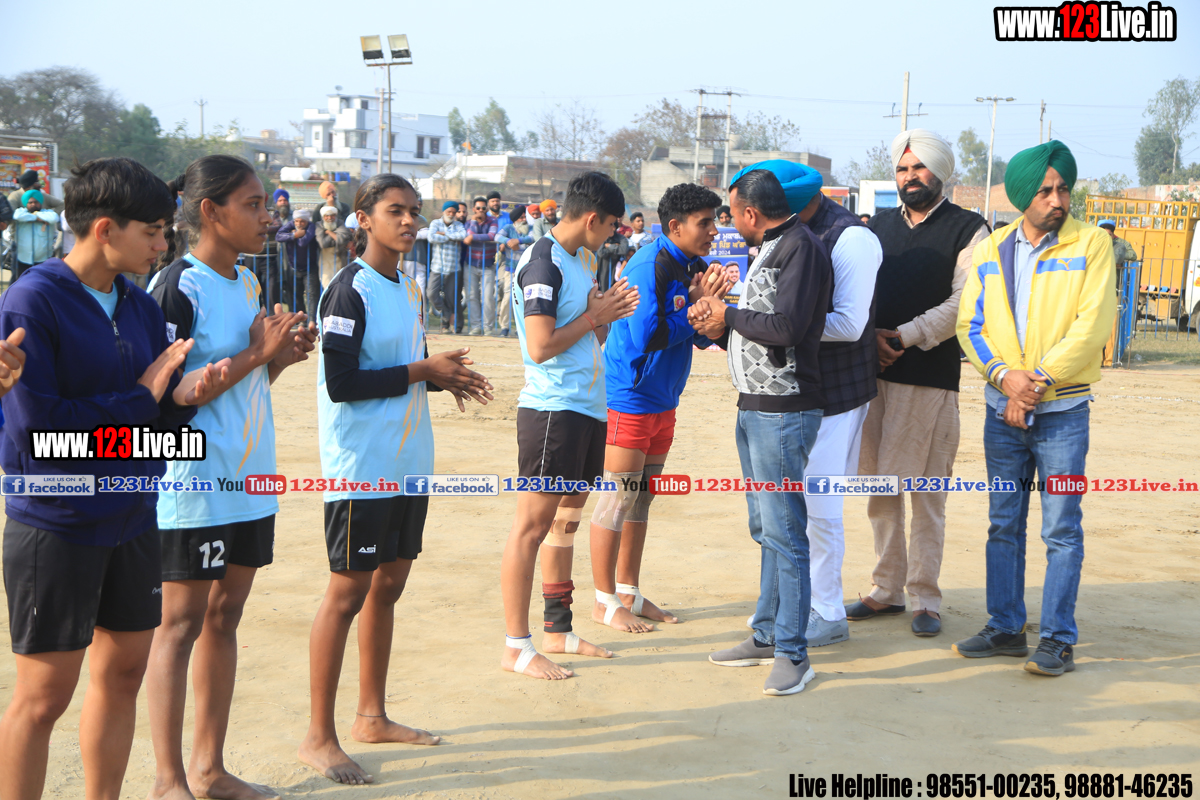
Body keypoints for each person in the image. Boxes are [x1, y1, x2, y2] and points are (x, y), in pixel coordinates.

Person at [0, 157, 197, 800]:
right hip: (57, 522)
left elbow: (156, 411)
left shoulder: (139, 305)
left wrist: (185, 396)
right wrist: (142, 400)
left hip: (134, 516)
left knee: (124, 676)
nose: (163, 246)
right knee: (44, 697)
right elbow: (41, 432)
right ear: (106, 228)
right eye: (154, 232)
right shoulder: (33, 300)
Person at [300, 174, 493, 784]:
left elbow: (402, 367)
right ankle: (318, 736)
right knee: (346, 595)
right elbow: (342, 384)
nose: (409, 221)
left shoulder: (407, 285)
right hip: (362, 469)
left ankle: (371, 716)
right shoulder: (347, 291)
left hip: (410, 463)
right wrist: (422, 371)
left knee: (388, 587)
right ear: (363, 218)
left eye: (414, 211)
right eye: (395, 211)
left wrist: (444, 378)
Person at [145, 154, 317, 800]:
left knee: (226, 617)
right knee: (179, 626)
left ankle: (209, 770)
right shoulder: (177, 287)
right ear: (210, 212)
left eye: (265, 204)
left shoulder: (246, 281)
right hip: (195, 483)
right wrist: (255, 353)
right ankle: (169, 781)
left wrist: (279, 359)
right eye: (253, 205)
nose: (268, 217)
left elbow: (245, 382)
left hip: (251, 479)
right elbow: (168, 395)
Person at [954, 141, 1115, 676]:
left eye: (1063, 189)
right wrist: (1006, 379)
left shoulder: (1091, 244)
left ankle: (1057, 639)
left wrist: (1036, 382)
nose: (1057, 200)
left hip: (1062, 413)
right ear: (1023, 195)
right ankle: (1005, 627)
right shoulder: (991, 249)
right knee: (1003, 523)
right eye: (1045, 191)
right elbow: (970, 325)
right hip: (1002, 411)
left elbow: (1092, 326)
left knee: (1061, 529)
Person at [690, 168, 831, 697]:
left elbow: (788, 328)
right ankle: (768, 634)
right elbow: (759, 327)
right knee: (767, 528)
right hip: (755, 407)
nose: (728, 224)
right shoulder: (772, 247)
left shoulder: (800, 248)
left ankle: (794, 652)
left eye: (730, 214)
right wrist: (718, 325)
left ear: (751, 213)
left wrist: (727, 313)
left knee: (786, 532)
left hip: (784, 410)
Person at [733, 160, 883, 648]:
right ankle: (792, 610)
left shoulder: (849, 237)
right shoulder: (783, 236)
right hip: (791, 393)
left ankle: (826, 611)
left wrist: (785, 323)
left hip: (835, 392)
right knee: (784, 512)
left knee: (818, 507)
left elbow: (850, 324)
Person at [847, 129, 990, 637]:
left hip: (930, 378)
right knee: (880, 488)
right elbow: (855, 290)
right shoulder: (877, 226)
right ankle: (886, 589)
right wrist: (870, 340)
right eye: (903, 169)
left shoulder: (970, 229)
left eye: (920, 167)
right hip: (874, 376)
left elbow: (964, 302)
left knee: (927, 493)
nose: (910, 176)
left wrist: (904, 336)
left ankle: (924, 597)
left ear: (941, 172)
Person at [501, 171, 640, 680]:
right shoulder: (544, 262)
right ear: (592, 218)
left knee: (565, 522)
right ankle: (516, 645)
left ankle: (557, 629)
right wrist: (593, 317)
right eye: (613, 225)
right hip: (552, 412)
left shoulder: (583, 260)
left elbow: (587, 338)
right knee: (531, 528)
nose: (615, 234)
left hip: (586, 409)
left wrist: (606, 317)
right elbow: (540, 347)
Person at [590, 182, 728, 635]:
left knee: (642, 496)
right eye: (705, 223)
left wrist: (712, 310)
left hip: (664, 398)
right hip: (629, 397)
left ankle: (628, 590)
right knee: (618, 497)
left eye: (714, 221)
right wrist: (695, 308)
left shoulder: (693, 266)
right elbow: (648, 335)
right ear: (675, 226)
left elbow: (703, 338)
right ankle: (604, 601)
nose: (714, 231)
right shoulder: (649, 264)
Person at [427, 200, 467, 333]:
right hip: (437, 266)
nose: (451, 214)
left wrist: (444, 234)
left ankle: (447, 325)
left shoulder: (458, 225)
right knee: (431, 293)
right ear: (444, 211)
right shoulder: (435, 223)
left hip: (453, 267)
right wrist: (451, 238)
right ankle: (446, 313)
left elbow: (462, 235)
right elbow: (431, 237)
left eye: (453, 212)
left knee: (451, 297)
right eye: (449, 211)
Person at [496, 203, 534, 337]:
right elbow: (497, 237)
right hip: (510, 269)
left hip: (527, 270)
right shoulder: (508, 228)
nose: (524, 220)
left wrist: (517, 241)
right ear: (515, 220)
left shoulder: (530, 228)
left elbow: (532, 237)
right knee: (507, 298)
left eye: (524, 217)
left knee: (524, 299)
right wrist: (508, 242)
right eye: (521, 218)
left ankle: (521, 328)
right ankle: (504, 327)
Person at [463, 197, 499, 335]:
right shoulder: (469, 223)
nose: (481, 211)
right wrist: (473, 222)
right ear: (474, 209)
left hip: (488, 264)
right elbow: (468, 234)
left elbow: (492, 235)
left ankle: (488, 327)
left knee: (488, 297)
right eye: (478, 208)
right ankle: (476, 326)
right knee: (472, 296)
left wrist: (473, 238)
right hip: (470, 263)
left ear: (487, 209)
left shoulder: (493, 220)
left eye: (483, 208)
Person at [276, 208, 322, 316]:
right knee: (295, 295)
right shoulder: (290, 225)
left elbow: (303, 242)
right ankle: (301, 318)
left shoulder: (311, 226)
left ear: (307, 221)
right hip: (294, 267)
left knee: (312, 295)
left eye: (302, 222)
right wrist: (294, 235)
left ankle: (312, 320)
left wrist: (294, 235)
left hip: (310, 268)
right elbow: (278, 236)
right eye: (297, 221)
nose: (299, 224)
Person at [12, 190, 59, 277]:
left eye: (36, 202)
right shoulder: (21, 211)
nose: (33, 204)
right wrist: (37, 218)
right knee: (22, 281)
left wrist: (35, 215)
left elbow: (53, 218)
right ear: (26, 203)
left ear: (40, 203)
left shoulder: (48, 213)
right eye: (30, 202)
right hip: (23, 258)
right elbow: (17, 216)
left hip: (43, 258)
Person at [317, 204, 353, 287]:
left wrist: (329, 232)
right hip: (325, 260)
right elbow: (322, 243)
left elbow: (343, 240)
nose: (329, 218)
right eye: (327, 216)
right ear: (323, 217)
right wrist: (336, 236)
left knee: (339, 282)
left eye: (332, 215)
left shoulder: (340, 224)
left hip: (340, 258)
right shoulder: (319, 225)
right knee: (326, 284)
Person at [595, 220, 632, 291]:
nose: (611, 228)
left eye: (613, 226)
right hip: (603, 269)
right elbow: (601, 253)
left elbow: (624, 250)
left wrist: (609, 246)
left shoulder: (621, 238)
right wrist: (616, 247)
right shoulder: (601, 237)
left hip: (616, 269)